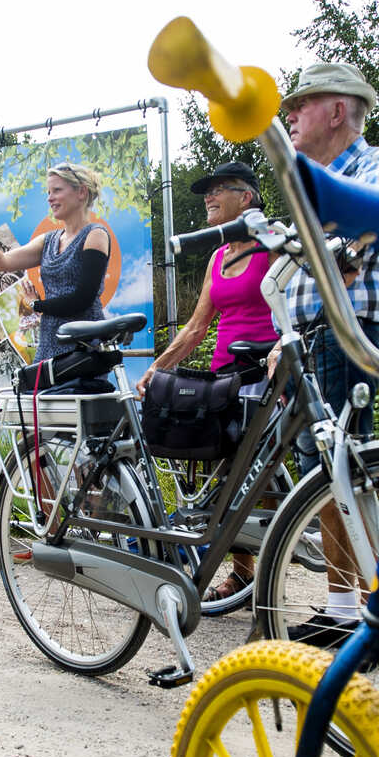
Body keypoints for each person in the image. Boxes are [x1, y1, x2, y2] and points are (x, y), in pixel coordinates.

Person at [272, 63, 379, 647]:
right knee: (320, 476)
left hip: (344, 327)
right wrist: (284, 339)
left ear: (337, 110)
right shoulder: (310, 179)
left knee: (350, 468)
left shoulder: (376, 164)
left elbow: (361, 242)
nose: (290, 115)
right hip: (305, 333)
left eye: (302, 105)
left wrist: (336, 249)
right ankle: (341, 606)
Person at [138, 161, 279, 603]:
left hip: (268, 373)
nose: (208, 197)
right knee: (224, 474)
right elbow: (197, 327)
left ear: (248, 198)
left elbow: (298, 302)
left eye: (219, 189)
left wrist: (284, 348)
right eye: (207, 191)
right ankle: (242, 572)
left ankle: (275, 568)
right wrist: (158, 367)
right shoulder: (218, 257)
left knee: (265, 478)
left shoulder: (272, 245)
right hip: (226, 379)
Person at [0, 162, 111, 371]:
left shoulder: (95, 235)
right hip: (51, 339)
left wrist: (36, 306)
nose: (50, 198)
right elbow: (2, 262)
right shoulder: (48, 240)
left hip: (84, 343)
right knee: (39, 399)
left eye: (57, 190)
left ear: (81, 192)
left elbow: (82, 299)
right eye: (48, 192)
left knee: (76, 401)